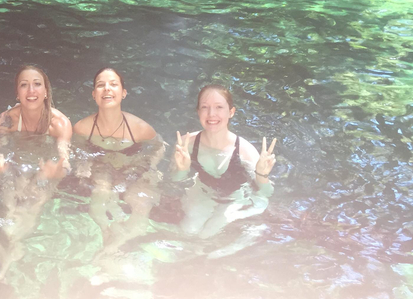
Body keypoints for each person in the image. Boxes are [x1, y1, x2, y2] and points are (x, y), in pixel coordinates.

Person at [0, 65, 73, 290]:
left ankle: (4, 263)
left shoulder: (60, 124)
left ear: (46, 91)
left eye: (37, 84)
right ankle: (7, 254)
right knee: (10, 204)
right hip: (18, 165)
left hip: (45, 169)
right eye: (24, 85)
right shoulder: (6, 120)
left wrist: (56, 172)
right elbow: (0, 150)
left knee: (36, 197)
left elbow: (65, 160)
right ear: (17, 93)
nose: (31, 90)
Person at [72, 67, 163, 255]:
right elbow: (78, 151)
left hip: (132, 167)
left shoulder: (140, 128)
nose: (107, 89)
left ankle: (120, 241)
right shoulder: (82, 128)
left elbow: (158, 147)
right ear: (94, 95)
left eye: (113, 84)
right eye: (100, 85)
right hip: (102, 168)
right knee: (99, 196)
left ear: (123, 93)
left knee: (142, 202)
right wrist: (83, 167)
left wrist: (148, 167)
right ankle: (107, 235)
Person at [171, 84, 277, 239]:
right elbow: (175, 180)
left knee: (207, 235)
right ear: (198, 112)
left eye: (219, 107)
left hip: (235, 197)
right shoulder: (188, 143)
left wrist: (262, 174)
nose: (211, 114)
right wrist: (182, 169)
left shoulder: (245, 151)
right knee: (188, 230)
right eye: (205, 107)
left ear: (231, 112)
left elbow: (266, 193)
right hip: (203, 191)